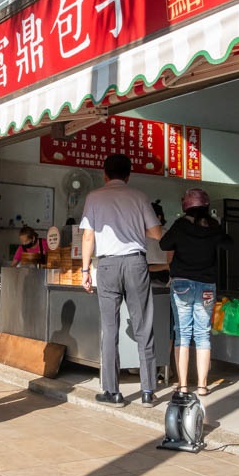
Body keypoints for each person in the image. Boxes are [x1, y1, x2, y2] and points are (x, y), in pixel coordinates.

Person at [80, 154, 163, 408]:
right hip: (136, 263)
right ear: (129, 175)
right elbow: (156, 233)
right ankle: (148, 391)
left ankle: (112, 392)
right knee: (143, 326)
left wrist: (85, 270)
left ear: (105, 175)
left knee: (110, 327)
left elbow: (87, 238)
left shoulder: (93, 197)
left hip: (107, 265)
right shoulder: (139, 196)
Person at [159, 188, 232, 398]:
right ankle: (202, 385)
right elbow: (229, 244)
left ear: (186, 206)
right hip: (207, 285)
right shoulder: (213, 226)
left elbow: (164, 243)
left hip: (182, 284)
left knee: (182, 333)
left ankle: (182, 386)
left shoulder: (181, 225)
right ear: (207, 206)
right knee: (202, 334)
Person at [144, 200, 169, 284]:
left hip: (155, 273)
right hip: (161, 273)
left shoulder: (140, 233)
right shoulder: (169, 234)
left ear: (159, 217)